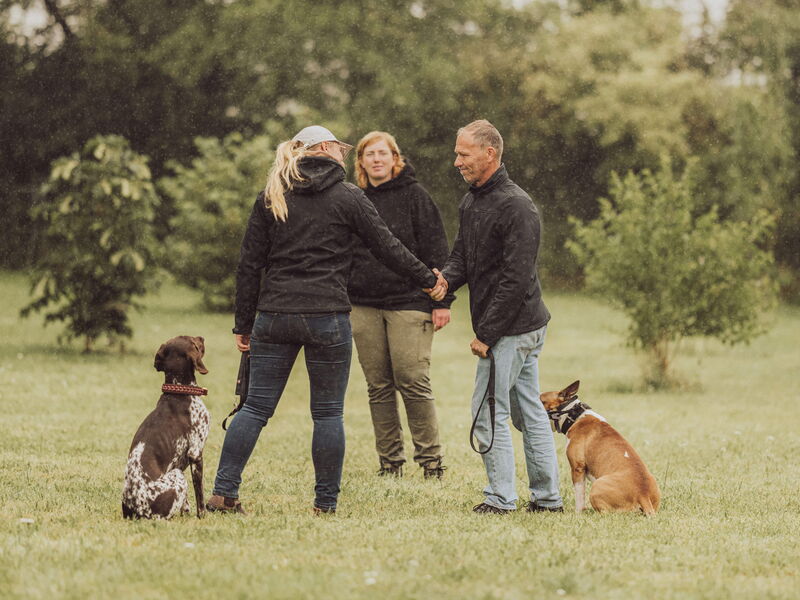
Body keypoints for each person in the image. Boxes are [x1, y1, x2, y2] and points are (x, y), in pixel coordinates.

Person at [206, 125, 446, 515]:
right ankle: (325, 504)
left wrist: (244, 324)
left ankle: (223, 493)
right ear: (326, 149)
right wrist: (429, 280)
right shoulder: (347, 196)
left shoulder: (273, 195)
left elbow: (249, 265)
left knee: (254, 408)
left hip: (275, 315)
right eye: (341, 147)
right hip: (327, 317)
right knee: (328, 413)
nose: (344, 154)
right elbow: (387, 247)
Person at [435, 119, 563, 514]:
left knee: (487, 412)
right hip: (515, 326)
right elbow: (464, 257)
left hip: (514, 327)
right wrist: (445, 282)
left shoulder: (517, 206)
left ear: (489, 153)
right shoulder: (472, 199)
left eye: (463, 153)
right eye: (457, 153)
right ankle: (547, 500)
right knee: (528, 411)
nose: (456, 161)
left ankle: (501, 499)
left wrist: (487, 334)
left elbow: (515, 278)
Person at [348, 131, 454, 479]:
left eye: (383, 153)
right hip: (363, 304)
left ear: (396, 159)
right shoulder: (354, 199)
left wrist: (443, 302)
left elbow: (436, 247)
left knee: (412, 379)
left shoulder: (415, 196)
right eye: (369, 154)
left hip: (410, 301)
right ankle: (390, 462)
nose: (376, 159)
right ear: (361, 162)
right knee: (378, 385)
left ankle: (431, 462)